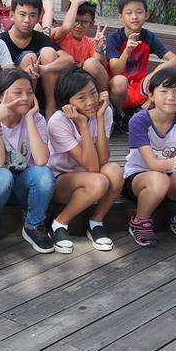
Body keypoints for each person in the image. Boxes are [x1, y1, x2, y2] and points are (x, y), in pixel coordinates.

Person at [0, 68, 56, 256]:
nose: (25, 97)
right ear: (1, 95)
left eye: (29, 92)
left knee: (44, 173)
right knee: (2, 175)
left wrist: (29, 118)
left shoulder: (37, 119)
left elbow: (42, 159)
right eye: (18, 92)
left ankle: (34, 226)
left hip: (20, 185)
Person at [124, 69, 176, 247]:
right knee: (158, 178)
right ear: (152, 95)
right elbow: (152, 164)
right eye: (164, 91)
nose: (171, 97)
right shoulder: (139, 121)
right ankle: (140, 221)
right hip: (139, 178)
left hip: (169, 175)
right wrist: (173, 163)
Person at [47, 69, 123, 253]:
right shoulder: (58, 121)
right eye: (81, 98)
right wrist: (83, 125)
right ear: (67, 103)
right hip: (61, 178)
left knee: (114, 170)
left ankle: (96, 222)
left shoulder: (103, 112)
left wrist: (98, 117)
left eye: (93, 93)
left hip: (91, 174)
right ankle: (59, 223)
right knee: (99, 181)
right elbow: (92, 167)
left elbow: (103, 159)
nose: (90, 102)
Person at [108, 0, 176, 131]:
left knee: (162, 76)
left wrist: (159, 70)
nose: (134, 17)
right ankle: (119, 117)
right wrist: (127, 51)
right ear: (120, 17)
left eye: (139, 12)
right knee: (119, 80)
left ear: (146, 15)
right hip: (120, 90)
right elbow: (115, 70)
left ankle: (142, 109)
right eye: (129, 13)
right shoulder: (115, 38)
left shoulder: (148, 37)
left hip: (141, 86)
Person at [0, 0, 73, 121]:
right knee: (30, 58)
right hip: (15, 92)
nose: (27, 20)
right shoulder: (1, 40)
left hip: (42, 88)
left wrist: (46, 68)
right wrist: (23, 72)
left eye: (33, 15)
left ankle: (51, 107)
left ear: (39, 17)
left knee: (49, 52)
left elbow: (68, 59)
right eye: (22, 14)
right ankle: (25, 114)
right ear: (12, 15)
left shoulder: (40, 38)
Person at [50, 0, 109, 91]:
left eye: (85, 22)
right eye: (75, 21)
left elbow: (100, 66)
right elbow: (66, 27)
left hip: (84, 86)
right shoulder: (61, 35)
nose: (79, 26)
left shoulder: (91, 42)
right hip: (62, 84)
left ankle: (105, 100)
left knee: (91, 63)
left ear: (92, 24)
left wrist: (99, 49)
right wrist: (75, 3)